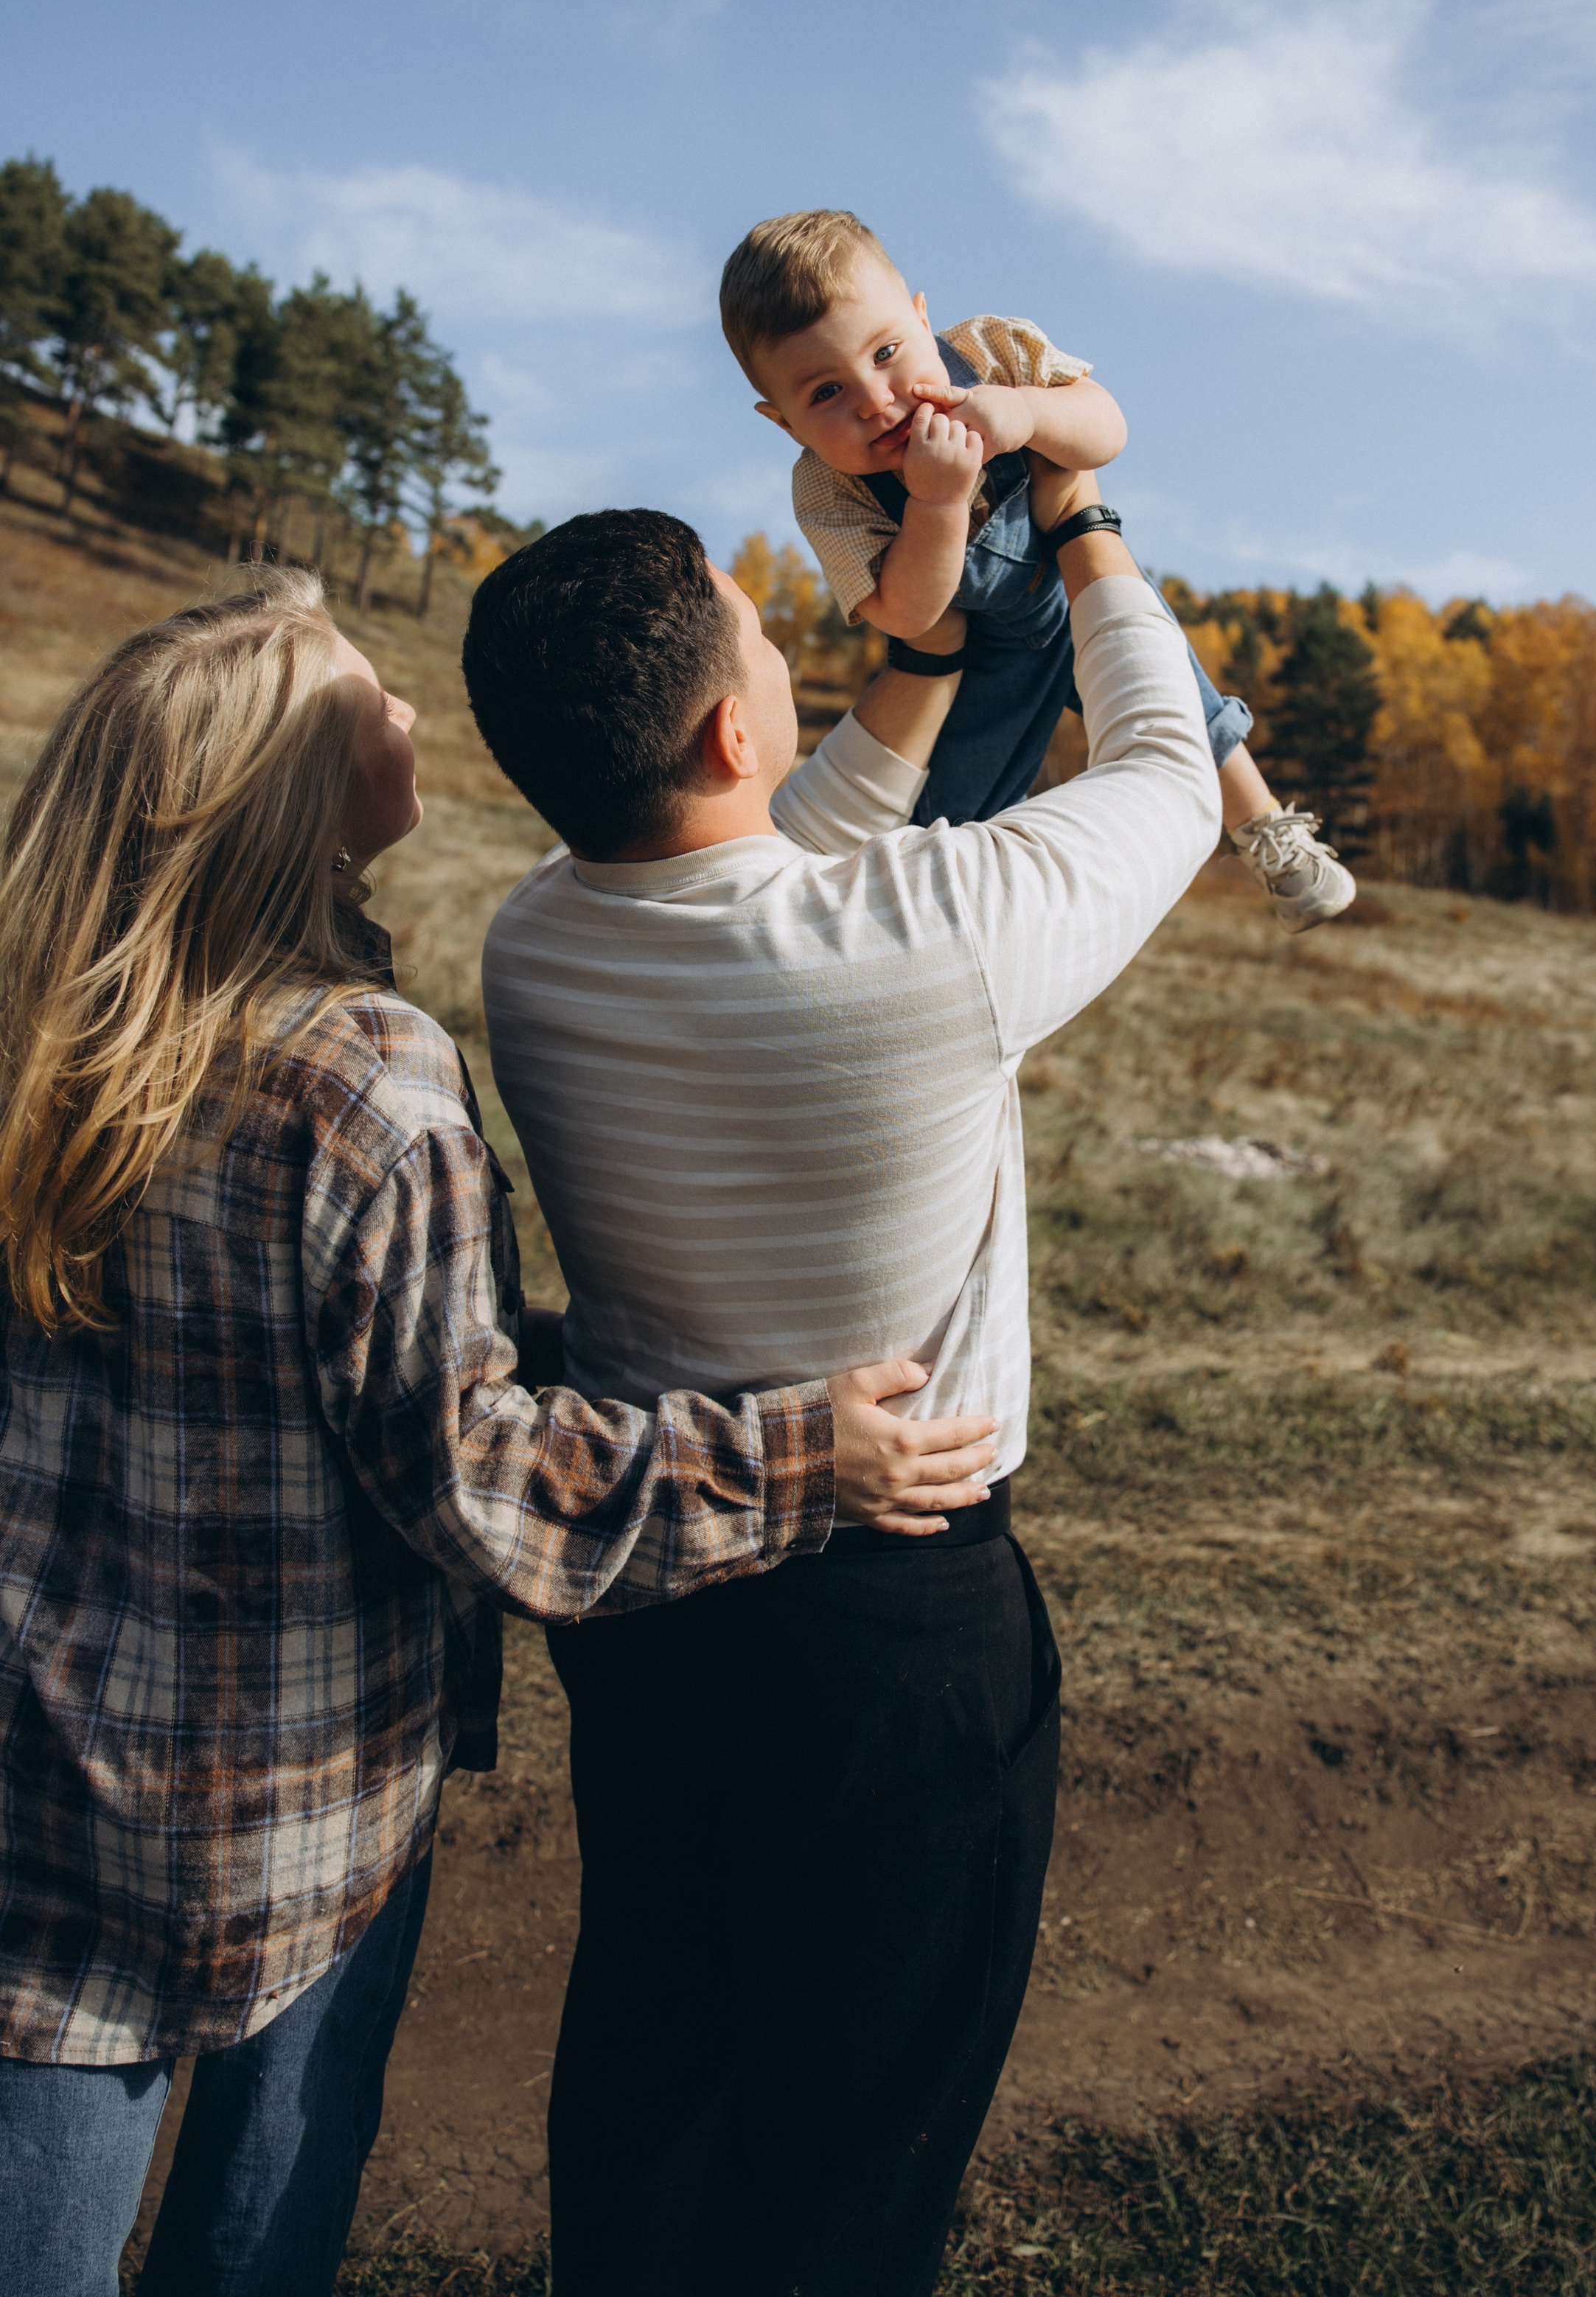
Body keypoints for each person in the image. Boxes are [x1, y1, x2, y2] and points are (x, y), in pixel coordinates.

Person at [0, 568, 995, 2297]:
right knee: (254, 2240)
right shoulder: (362, 1078)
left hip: (33, 1802)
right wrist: (792, 1456)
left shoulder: (38, 1042)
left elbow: (240, 1361)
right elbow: (473, 1478)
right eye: (363, 696)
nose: (406, 712)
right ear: (287, 797)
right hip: (294, 1808)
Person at [466, 489, 1227, 2297]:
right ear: (733, 722)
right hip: (884, 1621)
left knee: (657, 2050)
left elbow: (755, 847)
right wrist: (1086, 518)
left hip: (653, 1590)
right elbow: (1174, 769)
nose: (775, 641)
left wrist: (910, 659)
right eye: (756, 629)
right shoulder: (937, 937)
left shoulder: (536, 944)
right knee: (849, 2144)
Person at [722, 204, 1356, 932]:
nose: (876, 400)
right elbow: (906, 614)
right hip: (987, 657)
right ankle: (954, 931)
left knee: (1182, 699)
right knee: (961, 803)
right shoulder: (828, 491)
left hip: (1075, 583)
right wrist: (937, 502)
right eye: (826, 393)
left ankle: (1266, 834)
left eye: (887, 351)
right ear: (783, 423)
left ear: (922, 319)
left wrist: (1026, 414)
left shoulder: (993, 355)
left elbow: (1106, 426)